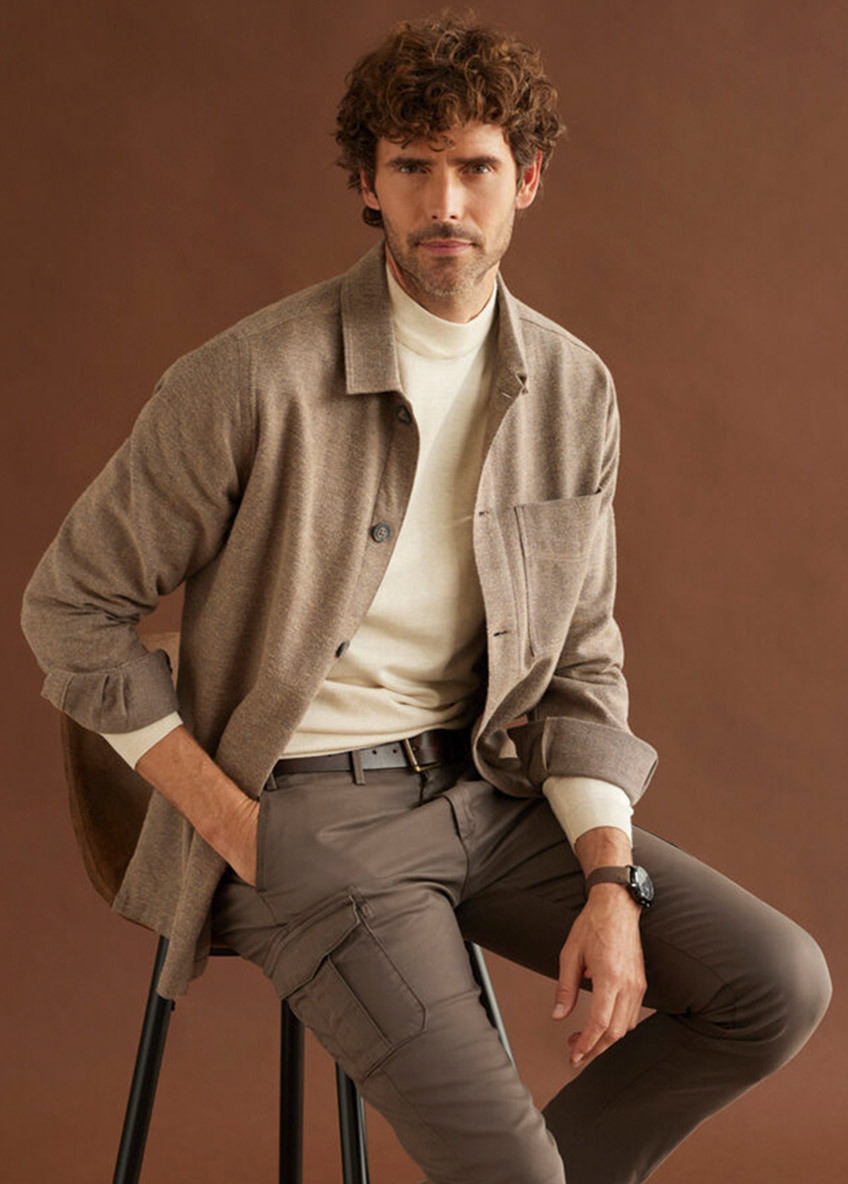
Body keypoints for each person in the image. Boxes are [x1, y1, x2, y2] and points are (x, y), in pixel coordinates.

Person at [21, 14, 831, 1184]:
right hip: (305, 820)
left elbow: (579, 660)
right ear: (368, 183)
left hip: (485, 793)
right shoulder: (250, 378)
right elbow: (69, 607)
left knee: (776, 983)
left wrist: (609, 878)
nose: (444, 201)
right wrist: (234, 825)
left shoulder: (571, 388)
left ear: (526, 179)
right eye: (411, 165)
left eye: (475, 166)